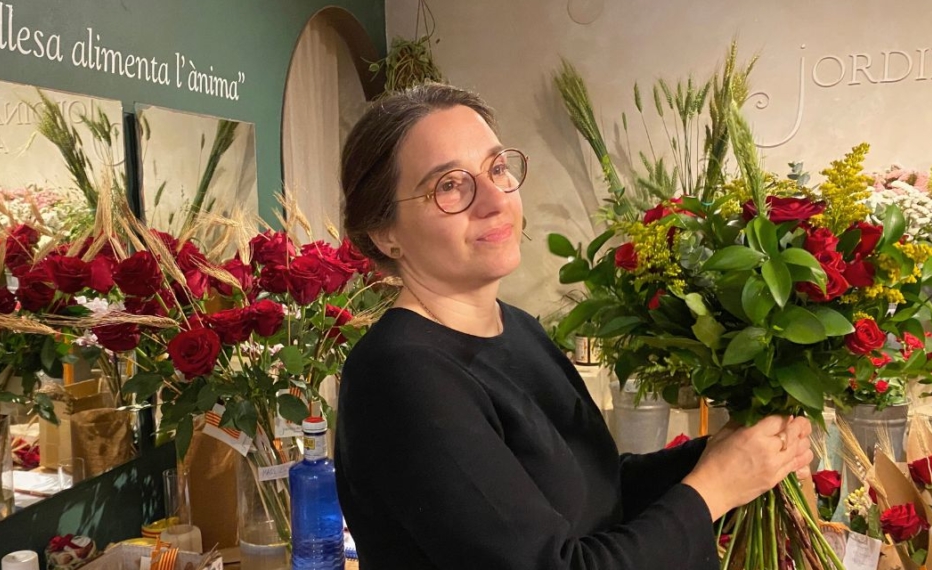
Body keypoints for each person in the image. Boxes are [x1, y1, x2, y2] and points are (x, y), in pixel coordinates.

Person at [334, 83, 813, 570]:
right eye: (451, 185)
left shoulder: (517, 328)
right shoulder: (400, 375)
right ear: (385, 232)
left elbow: (596, 496)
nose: (495, 199)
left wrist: (721, 454)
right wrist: (712, 489)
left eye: (497, 168)